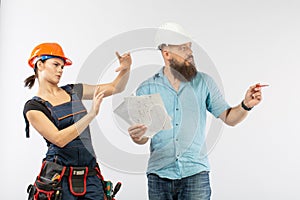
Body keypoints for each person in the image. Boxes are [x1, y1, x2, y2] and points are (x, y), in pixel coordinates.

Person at [127, 22, 263, 200]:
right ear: (166, 53)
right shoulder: (147, 88)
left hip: (195, 175)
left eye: (190, 47)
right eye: (183, 48)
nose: (190, 53)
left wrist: (246, 104)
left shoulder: (204, 83)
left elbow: (230, 118)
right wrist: (138, 137)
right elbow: (144, 136)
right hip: (159, 175)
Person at [23, 42, 131, 199]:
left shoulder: (74, 90)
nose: (60, 70)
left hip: (91, 176)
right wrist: (91, 115)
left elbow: (116, 87)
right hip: (59, 179)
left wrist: (126, 69)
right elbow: (59, 139)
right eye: (55, 64)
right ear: (40, 64)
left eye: (62, 66)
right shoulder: (34, 107)